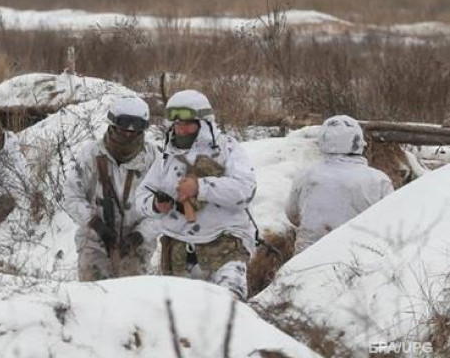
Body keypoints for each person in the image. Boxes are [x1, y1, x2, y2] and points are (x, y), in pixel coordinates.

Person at [135, 90, 256, 300]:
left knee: (231, 312)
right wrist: (155, 205)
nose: (181, 129)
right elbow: (141, 195)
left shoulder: (227, 148)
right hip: (177, 252)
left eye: (188, 123)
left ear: (204, 123)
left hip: (224, 247)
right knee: (181, 319)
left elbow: (245, 190)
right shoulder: (166, 156)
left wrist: (201, 187)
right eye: (177, 124)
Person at [65, 96, 160, 282]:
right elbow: (72, 195)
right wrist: (95, 224)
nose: (129, 135)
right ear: (113, 125)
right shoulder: (91, 154)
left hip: (137, 243)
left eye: (135, 131)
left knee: (132, 297)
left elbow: (162, 210)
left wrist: (139, 235)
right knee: (94, 292)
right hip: (94, 239)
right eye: (124, 129)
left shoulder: (154, 160)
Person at [286, 115, 394, 253]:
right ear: (358, 141)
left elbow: (292, 214)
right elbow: (389, 225)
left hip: (306, 258)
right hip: (357, 261)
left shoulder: (306, 175)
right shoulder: (379, 180)